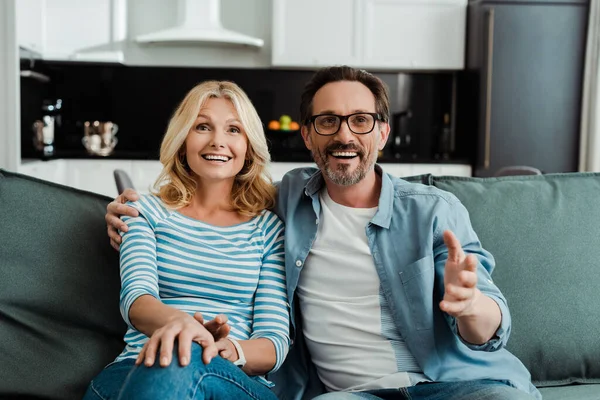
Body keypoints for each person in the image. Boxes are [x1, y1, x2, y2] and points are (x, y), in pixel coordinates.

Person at [105, 66, 541, 400]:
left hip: (450, 385)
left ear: (383, 132)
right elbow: (216, 200)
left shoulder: (433, 211)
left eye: (361, 121)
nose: (344, 134)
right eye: (328, 121)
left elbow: (488, 330)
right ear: (308, 136)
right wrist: (125, 210)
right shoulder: (287, 203)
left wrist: (468, 305)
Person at [87, 80, 290, 400]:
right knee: (173, 361)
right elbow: (137, 300)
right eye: (202, 126)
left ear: (249, 146)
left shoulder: (267, 230)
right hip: (137, 365)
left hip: (230, 375)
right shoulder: (143, 212)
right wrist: (185, 327)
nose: (218, 141)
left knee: (185, 361)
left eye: (234, 130)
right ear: (182, 140)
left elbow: (274, 341)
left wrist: (227, 348)